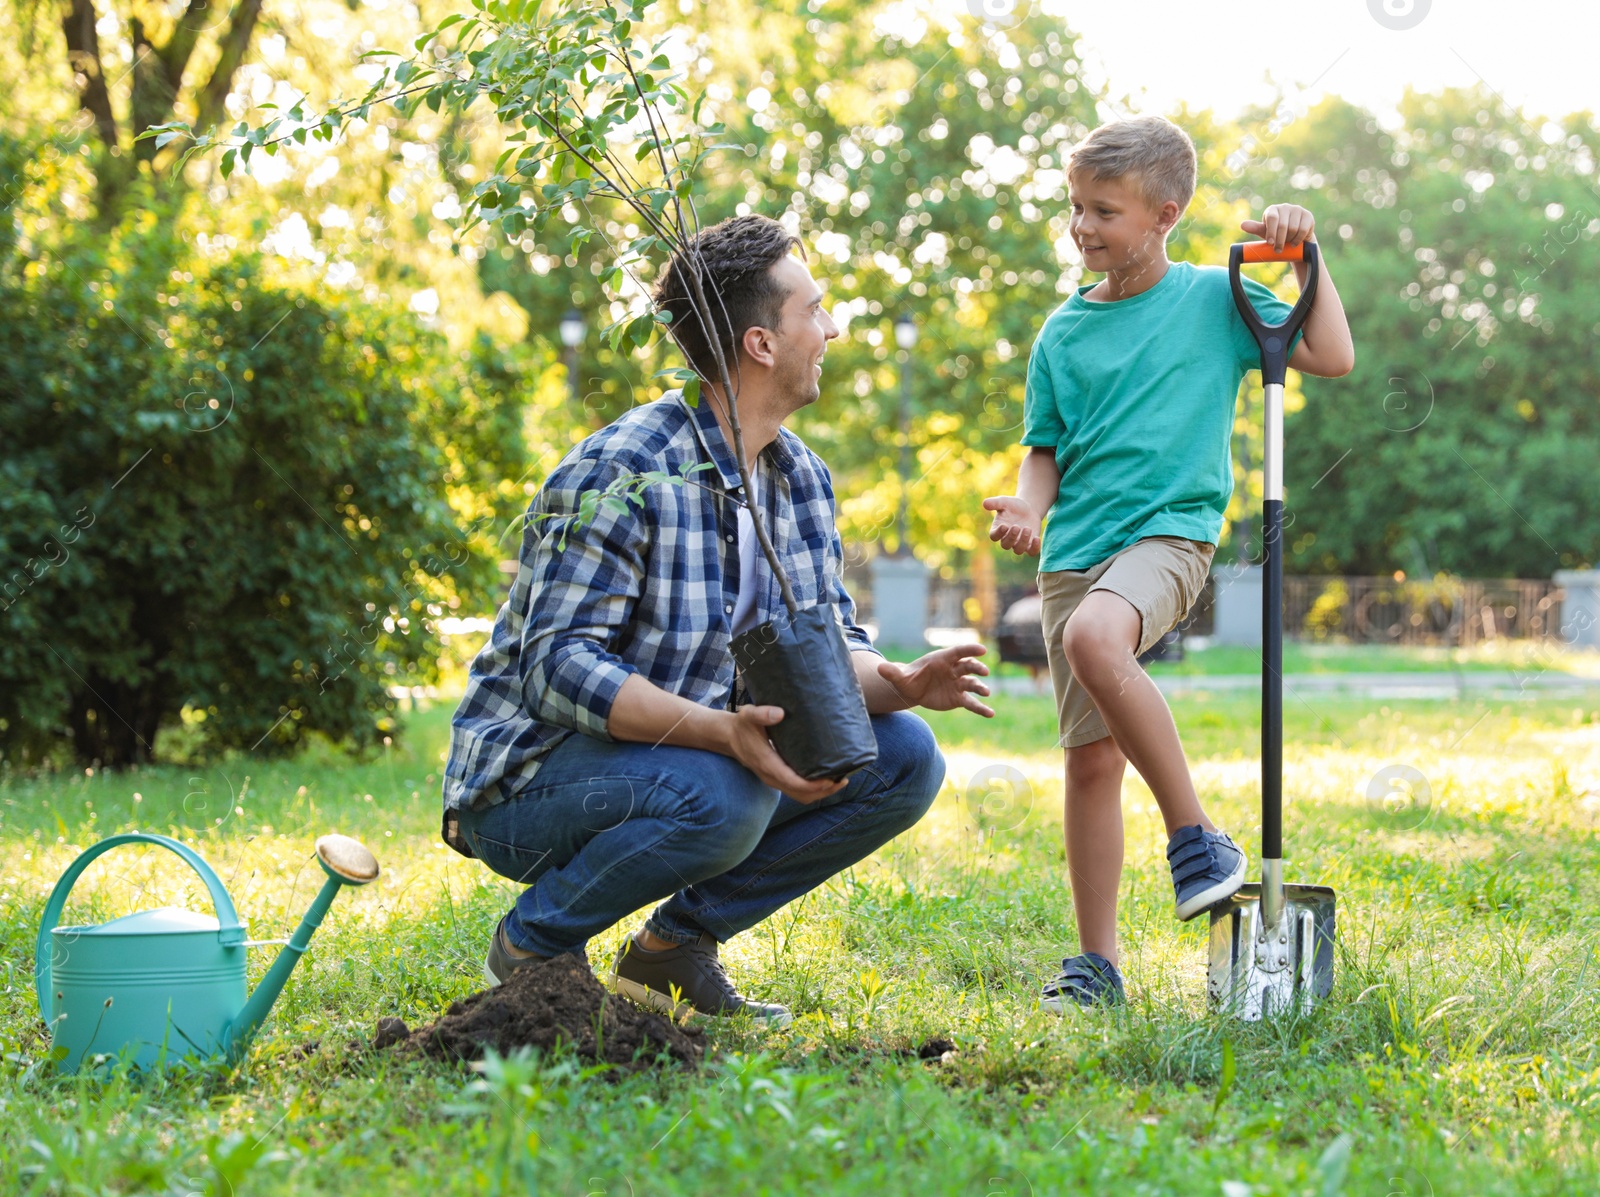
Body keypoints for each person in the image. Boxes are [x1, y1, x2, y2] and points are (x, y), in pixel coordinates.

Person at [442, 214, 994, 1027]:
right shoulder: (622, 466)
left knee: (903, 756)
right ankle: (533, 944)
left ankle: (672, 950)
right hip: (529, 785)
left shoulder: (799, 477)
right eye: (816, 308)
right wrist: (717, 731)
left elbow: (826, 646)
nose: (833, 328)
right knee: (728, 792)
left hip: (682, 764)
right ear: (762, 343)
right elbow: (556, 666)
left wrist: (904, 682)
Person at [982, 116, 1355, 1010]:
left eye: (1103, 210)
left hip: (1169, 535)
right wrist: (1031, 503)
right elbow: (1046, 449)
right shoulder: (1062, 334)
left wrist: (1308, 258)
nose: (1082, 226)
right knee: (1088, 762)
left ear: (1165, 213)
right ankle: (1097, 965)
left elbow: (1332, 354)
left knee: (1097, 640)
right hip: (1076, 552)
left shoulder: (1212, 300)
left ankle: (1196, 838)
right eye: (1075, 206)